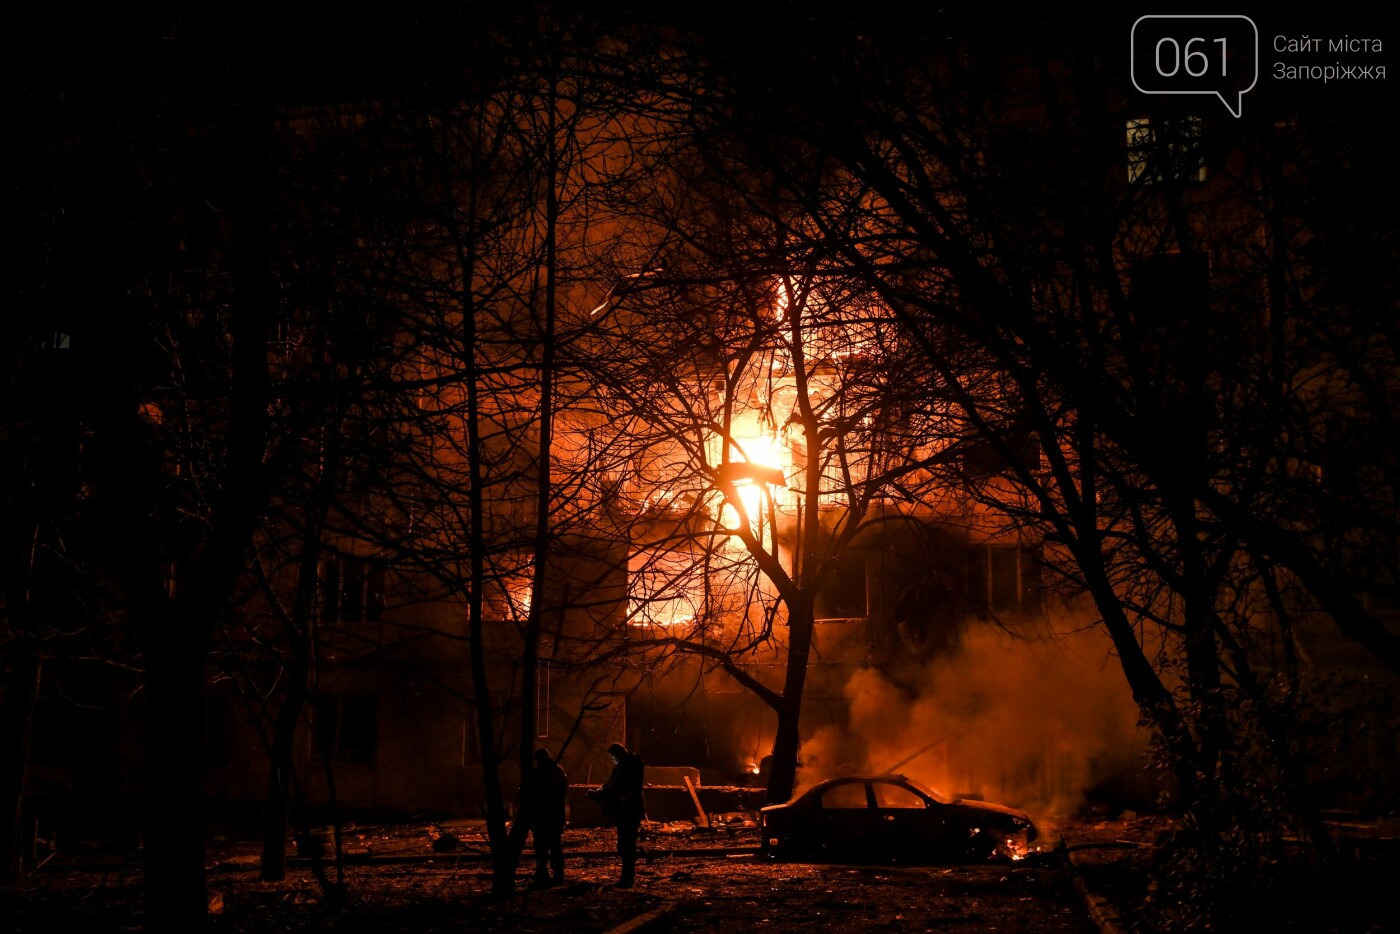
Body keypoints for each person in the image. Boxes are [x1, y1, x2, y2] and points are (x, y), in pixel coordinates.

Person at [587, 741, 646, 887]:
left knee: (627, 844)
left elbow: (617, 787)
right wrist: (601, 793)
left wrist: (601, 794)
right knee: (625, 843)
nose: (613, 760)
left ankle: (627, 878)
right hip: (627, 810)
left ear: (619, 753)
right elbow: (612, 786)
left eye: (613, 757)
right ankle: (627, 876)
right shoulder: (626, 766)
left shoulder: (628, 767)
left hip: (628, 810)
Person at [523, 747, 569, 886]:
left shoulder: (539, 773)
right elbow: (563, 792)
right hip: (556, 815)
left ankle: (542, 872)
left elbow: (533, 795)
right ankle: (558, 873)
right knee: (556, 846)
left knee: (541, 847)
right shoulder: (559, 771)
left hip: (542, 816)